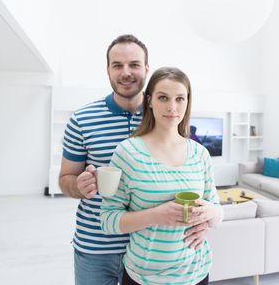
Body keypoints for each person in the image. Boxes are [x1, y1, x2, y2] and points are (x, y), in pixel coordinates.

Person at [59, 35, 209, 285]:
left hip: (151, 250)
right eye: (117, 65)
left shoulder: (165, 114)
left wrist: (202, 219)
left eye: (134, 65)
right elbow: (65, 178)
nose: (126, 72)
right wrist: (78, 186)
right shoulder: (82, 120)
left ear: (146, 69)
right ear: (107, 69)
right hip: (97, 247)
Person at [101, 67, 223, 285]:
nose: (172, 107)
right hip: (144, 277)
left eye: (180, 99)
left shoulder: (200, 154)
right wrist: (157, 215)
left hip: (197, 273)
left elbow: (217, 211)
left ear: (187, 102)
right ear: (149, 101)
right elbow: (108, 220)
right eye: (163, 98)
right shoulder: (127, 153)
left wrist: (209, 214)